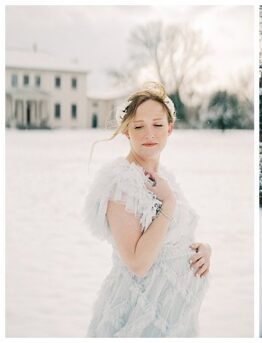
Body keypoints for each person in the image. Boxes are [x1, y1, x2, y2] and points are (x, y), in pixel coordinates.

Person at [83, 82, 211, 337]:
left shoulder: (164, 178)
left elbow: (171, 235)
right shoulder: (121, 182)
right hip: (140, 313)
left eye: (157, 124)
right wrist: (168, 204)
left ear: (170, 128)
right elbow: (137, 263)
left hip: (175, 315)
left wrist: (201, 250)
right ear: (127, 132)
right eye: (138, 126)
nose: (148, 134)